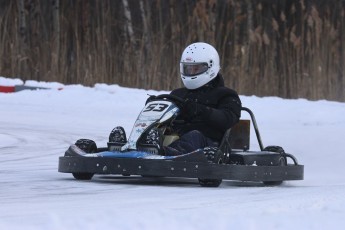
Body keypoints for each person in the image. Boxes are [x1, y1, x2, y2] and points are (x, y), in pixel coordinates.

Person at [112, 42, 242, 156]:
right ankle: (130, 146)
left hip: (207, 142)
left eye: (195, 68)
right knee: (158, 131)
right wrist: (155, 107)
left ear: (210, 67)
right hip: (176, 138)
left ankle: (162, 153)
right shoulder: (178, 93)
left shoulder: (226, 94)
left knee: (194, 135)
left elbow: (228, 119)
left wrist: (200, 110)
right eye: (188, 68)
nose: (191, 72)